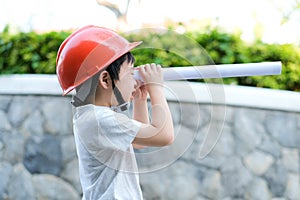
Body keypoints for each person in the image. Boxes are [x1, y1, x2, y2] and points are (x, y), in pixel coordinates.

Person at [56, 25, 174, 200]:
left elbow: (140, 141)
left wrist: (140, 101)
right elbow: (164, 136)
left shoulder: (92, 117)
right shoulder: (100, 120)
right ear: (105, 79)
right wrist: (156, 88)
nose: (134, 80)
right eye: (129, 74)